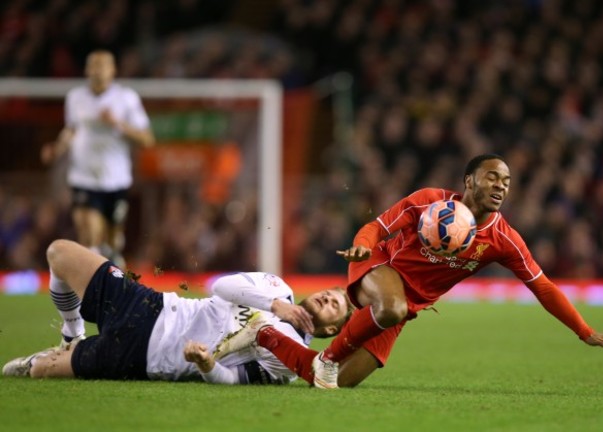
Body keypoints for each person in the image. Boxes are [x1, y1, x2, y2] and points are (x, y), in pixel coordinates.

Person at [214, 153, 603, 389]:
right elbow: (377, 227)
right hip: (379, 265)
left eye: (507, 180)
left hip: (408, 303)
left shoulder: (504, 239)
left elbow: (542, 286)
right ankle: (327, 355)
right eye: (493, 177)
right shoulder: (428, 201)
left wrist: (583, 330)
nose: (502, 185)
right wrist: (363, 242)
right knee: (390, 308)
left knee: (335, 382)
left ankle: (265, 335)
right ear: (469, 180)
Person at [2, 239, 353, 384]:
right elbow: (220, 287)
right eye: (331, 293)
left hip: (144, 356)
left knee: (38, 371)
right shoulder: (277, 287)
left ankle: (52, 357)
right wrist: (275, 304)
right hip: (150, 304)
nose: (328, 298)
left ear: (328, 331)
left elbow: (234, 381)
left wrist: (206, 364)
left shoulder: (290, 356)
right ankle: (71, 332)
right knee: (59, 253)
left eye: (336, 305)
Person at [41, 50, 155, 267]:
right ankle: (92, 286)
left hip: (115, 179)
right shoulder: (75, 98)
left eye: (102, 66)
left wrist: (117, 123)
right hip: (83, 177)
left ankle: (110, 267)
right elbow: (72, 129)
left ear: (112, 71)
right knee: (90, 235)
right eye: (93, 66)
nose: (97, 71)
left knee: (112, 242)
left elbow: (147, 139)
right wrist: (57, 149)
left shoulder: (126, 98)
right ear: (86, 70)